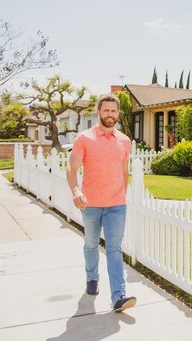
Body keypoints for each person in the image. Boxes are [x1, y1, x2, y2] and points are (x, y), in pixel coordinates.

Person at [66, 94, 136, 312]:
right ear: (98, 112)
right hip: (91, 204)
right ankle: (92, 278)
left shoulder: (124, 141)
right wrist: (76, 190)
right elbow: (72, 167)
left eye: (113, 111)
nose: (110, 115)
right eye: (106, 111)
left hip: (116, 205)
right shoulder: (84, 138)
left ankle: (119, 296)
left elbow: (124, 171)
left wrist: (121, 195)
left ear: (118, 113)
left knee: (114, 248)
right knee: (91, 243)